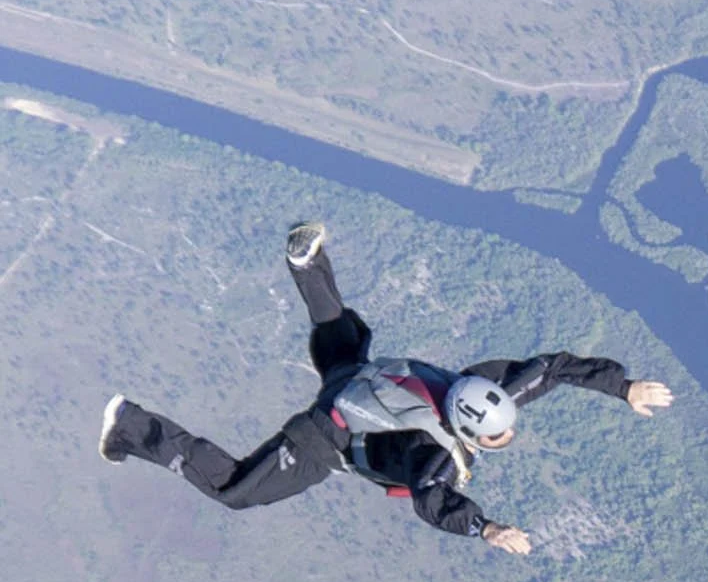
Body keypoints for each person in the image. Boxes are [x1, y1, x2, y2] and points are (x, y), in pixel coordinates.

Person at [97, 221, 672, 553]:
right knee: (236, 490)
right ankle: (129, 425)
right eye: (496, 440)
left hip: (357, 382)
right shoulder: (431, 457)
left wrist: (623, 387)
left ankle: (308, 262)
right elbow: (434, 500)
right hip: (326, 435)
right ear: (467, 431)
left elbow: (551, 368)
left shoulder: (485, 387)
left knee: (338, 333)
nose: (506, 438)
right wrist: (485, 527)